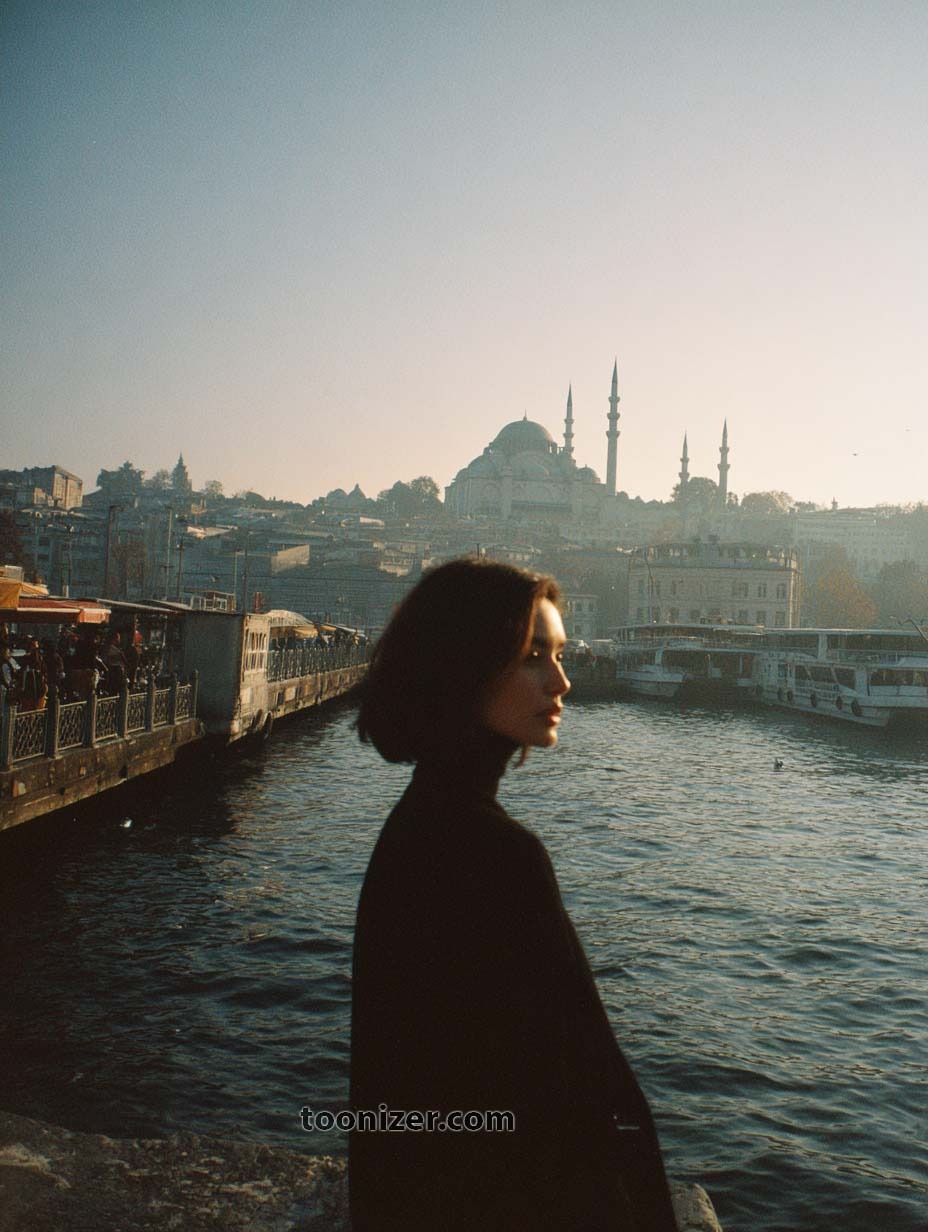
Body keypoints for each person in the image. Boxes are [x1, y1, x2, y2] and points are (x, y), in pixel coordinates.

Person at [350, 558, 677, 1232]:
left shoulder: (417, 825)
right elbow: (581, 1085)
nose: (562, 681)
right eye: (534, 657)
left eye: (558, 655)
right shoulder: (495, 852)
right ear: (467, 664)